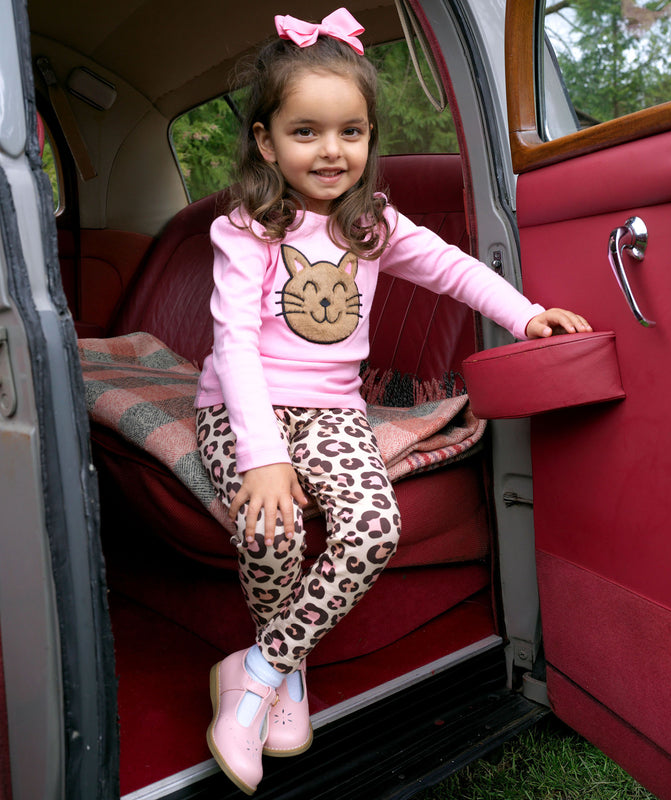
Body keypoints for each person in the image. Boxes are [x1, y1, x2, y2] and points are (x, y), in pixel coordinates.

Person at [194, 7, 591, 794]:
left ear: (371, 138)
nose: (332, 150)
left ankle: (263, 664)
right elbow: (235, 344)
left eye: (351, 132)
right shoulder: (247, 230)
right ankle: (290, 669)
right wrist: (265, 458)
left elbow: (452, 269)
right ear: (267, 142)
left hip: (337, 412)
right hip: (244, 408)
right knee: (268, 527)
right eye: (306, 132)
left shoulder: (371, 225)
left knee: (372, 530)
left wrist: (523, 313)